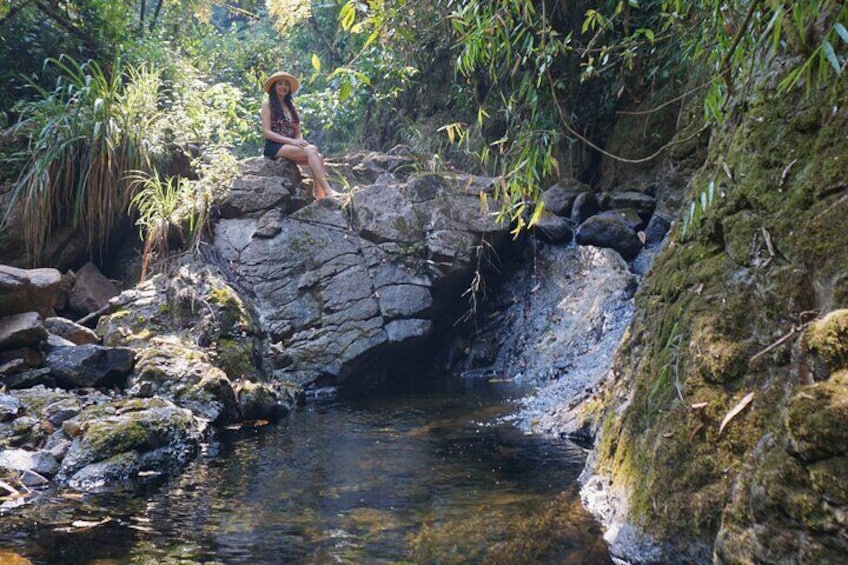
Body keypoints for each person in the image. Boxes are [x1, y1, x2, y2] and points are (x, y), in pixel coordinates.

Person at [261, 71, 338, 200]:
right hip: (274, 147)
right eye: (280, 84)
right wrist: (292, 142)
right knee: (312, 150)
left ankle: (320, 198)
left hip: (290, 146)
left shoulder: (292, 107)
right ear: (274, 87)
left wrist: (301, 143)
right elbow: (267, 132)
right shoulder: (267, 104)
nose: (283, 87)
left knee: (318, 156)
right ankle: (328, 190)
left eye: (286, 84)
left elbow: (297, 134)